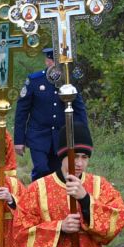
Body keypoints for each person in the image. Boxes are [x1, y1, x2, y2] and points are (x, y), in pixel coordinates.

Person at [15, 49, 89, 181]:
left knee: (58, 172)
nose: (57, 67)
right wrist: (19, 140)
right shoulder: (35, 81)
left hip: (61, 136)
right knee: (41, 169)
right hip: (38, 135)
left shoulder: (68, 82)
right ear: (47, 62)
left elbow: (79, 110)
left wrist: (83, 137)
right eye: (53, 62)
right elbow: (22, 111)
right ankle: (36, 195)